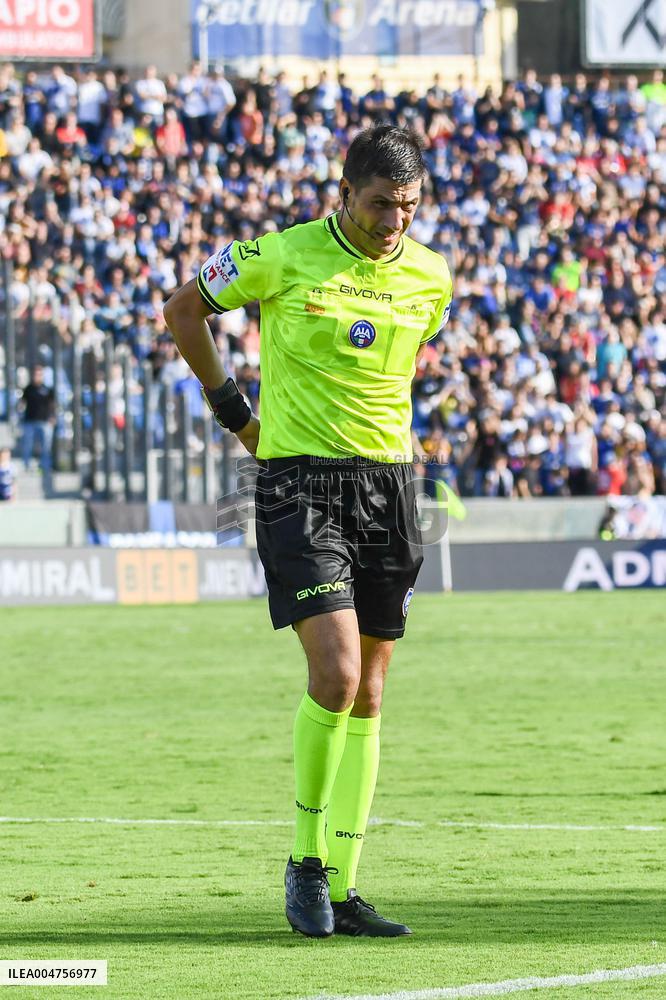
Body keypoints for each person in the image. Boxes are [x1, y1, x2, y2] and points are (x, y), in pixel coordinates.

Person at [164, 125, 453, 939]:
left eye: (408, 206)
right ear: (343, 193)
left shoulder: (432, 275)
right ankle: (303, 860)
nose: (394, 221)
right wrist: (236, 416)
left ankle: (348, 884)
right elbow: (184, 310)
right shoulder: (279, 254)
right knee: (334, 673)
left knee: (370, 690)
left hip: (390, 488)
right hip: (300, 484)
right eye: (378, 205)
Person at [21, 365, 55, 488]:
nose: (37, 376)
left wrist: (52, 417)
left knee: (45, 445)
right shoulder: (28, 389)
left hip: (44, 421)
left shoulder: (47, 389)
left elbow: (52, 404)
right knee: (27, 444)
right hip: (29, 421)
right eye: (35, 374)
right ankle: (26, 467)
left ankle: (44, 467)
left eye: (39, 374)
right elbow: (22, 403)